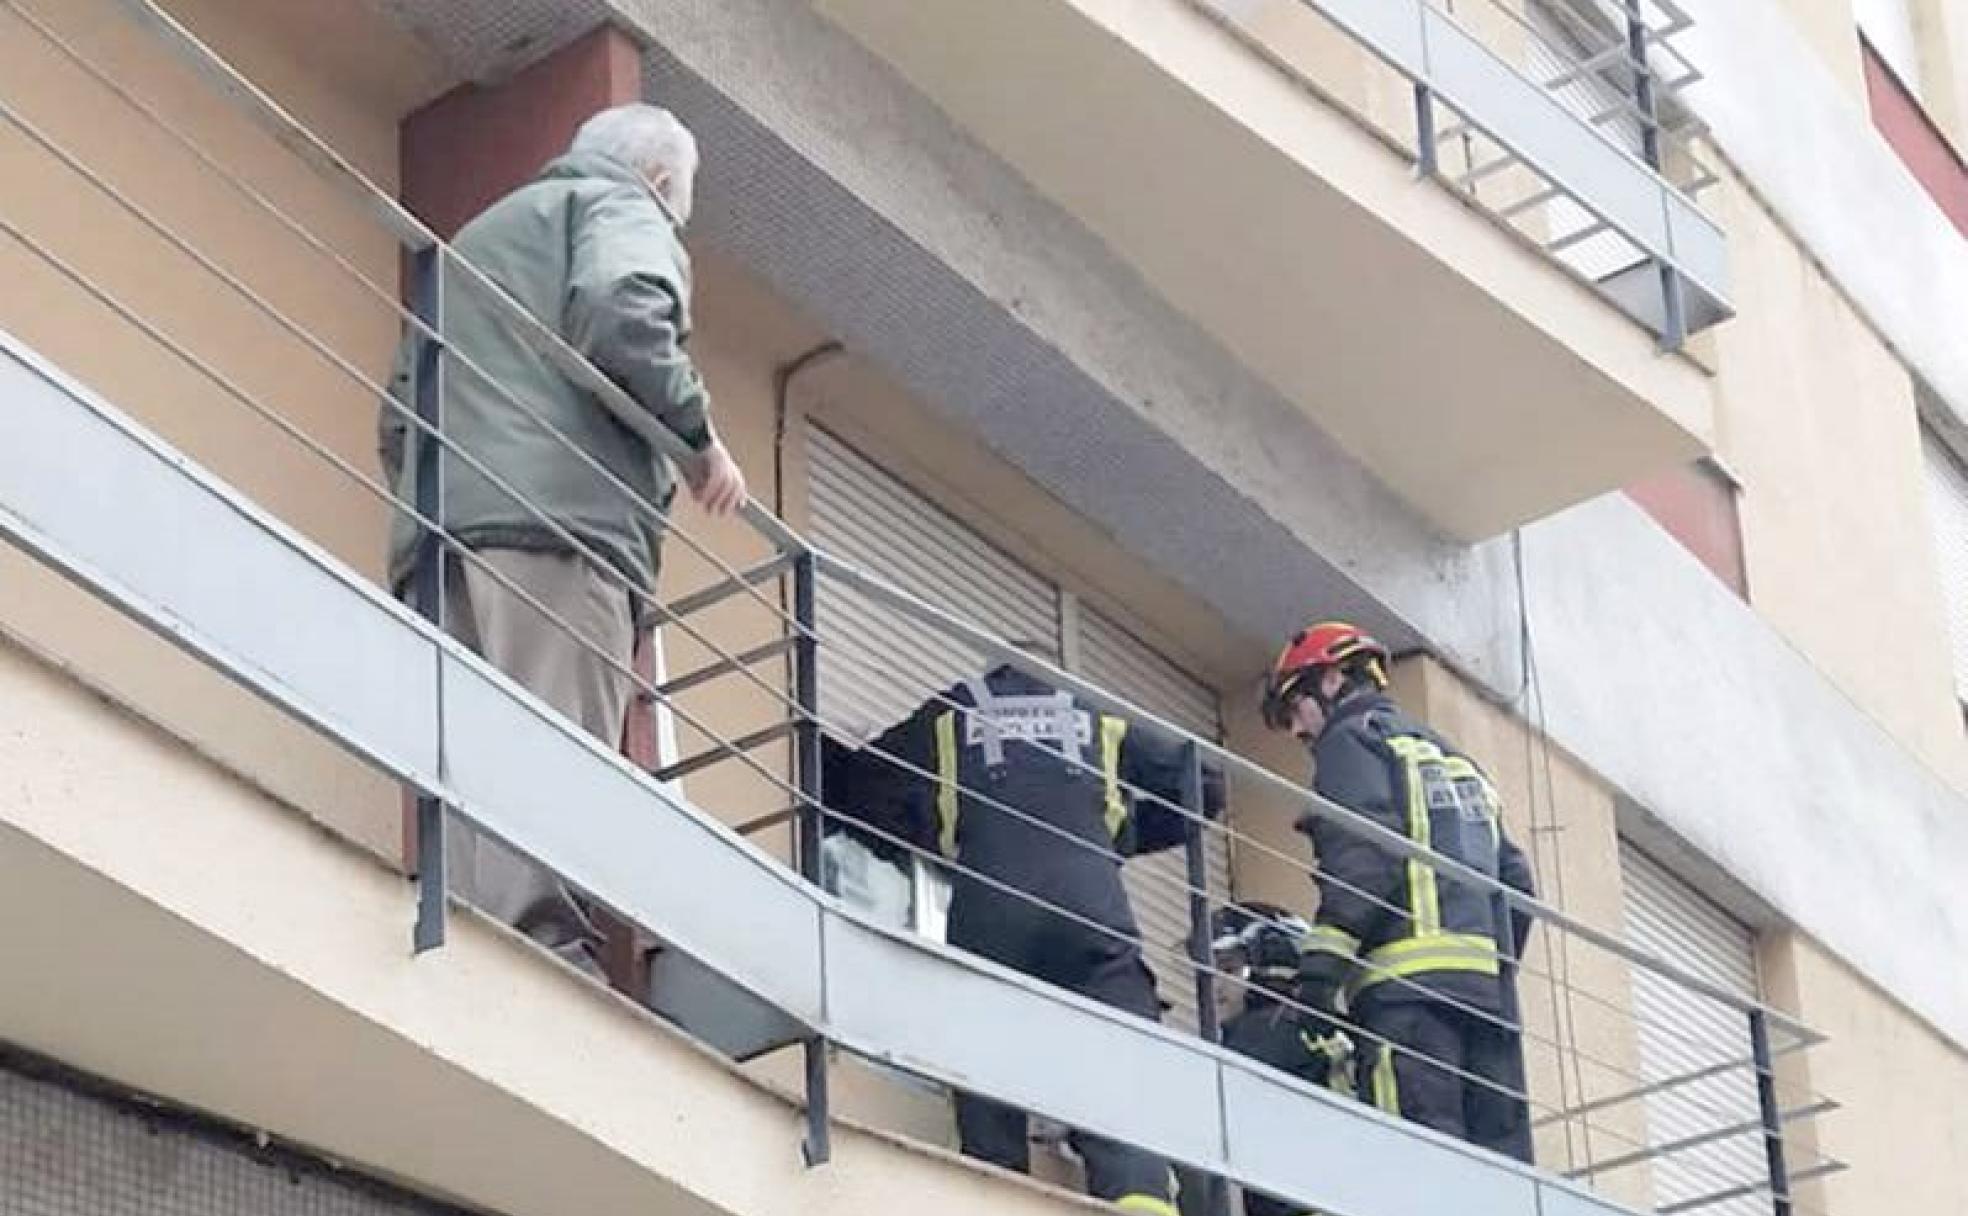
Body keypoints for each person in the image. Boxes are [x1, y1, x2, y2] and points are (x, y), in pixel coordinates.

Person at [379, 103, 747, 973]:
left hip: (442, 530)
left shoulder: (473, 243)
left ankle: (470, 936)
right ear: (660, 183)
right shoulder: (618, 208)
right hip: (561, 526)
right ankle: (542, 945)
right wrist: (698, 441)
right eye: (677, 208)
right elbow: (623, 312)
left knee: (465, 740)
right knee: (555, 739)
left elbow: (398, 412)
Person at [828, 658, 1222, 1215]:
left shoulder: (955, 712)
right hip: (1091, 908)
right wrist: (1115, 838)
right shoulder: (1095, 715)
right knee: (1120, 1070)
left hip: (995, 906)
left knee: (988, 1059)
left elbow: (865, 785)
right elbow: (1202, 783)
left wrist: (929, 835)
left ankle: (998, 1192)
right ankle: (1140, 1202)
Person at [1260, 622, 1536, 1162]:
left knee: (1417, 1164)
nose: (1296, 730)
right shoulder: (1458, 763)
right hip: (1488, 1006)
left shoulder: (1350, 741)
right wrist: (1490, 972)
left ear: (1334, 678)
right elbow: (1518, 884)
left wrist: (1319, 976)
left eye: (1294, 707)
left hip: (1407, 1003)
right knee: (1498, 1180)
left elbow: (1364, 855)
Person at [1202, 902, 1355, 1216]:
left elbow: (1201, 1110)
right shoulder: (1322, 1029)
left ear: (1272, 966)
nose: (1214, 984)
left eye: (1228, 969)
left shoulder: (1264, 1030)